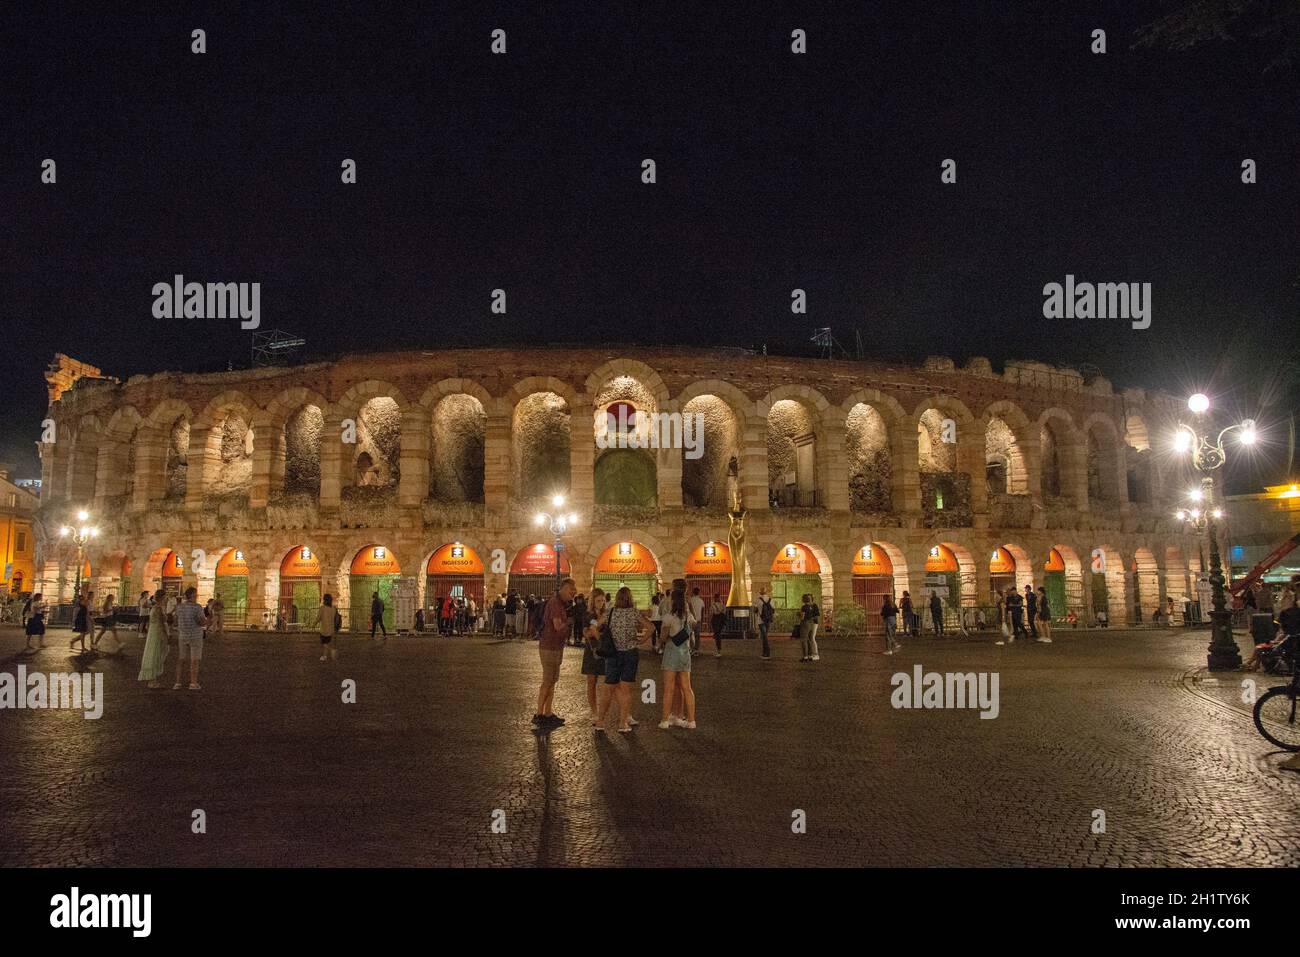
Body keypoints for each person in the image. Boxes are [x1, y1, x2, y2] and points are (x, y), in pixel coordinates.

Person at [595, 587, 650, 733]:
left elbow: (594, 624)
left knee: (608, 689)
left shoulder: (610, 612)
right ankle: (622, 723)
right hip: (630, 653)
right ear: (630, 598)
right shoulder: (634, 613)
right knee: (625, 690)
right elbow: (651, 628)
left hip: (612, 654)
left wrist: (599, 636)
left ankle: (600, 721)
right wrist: (641, 641)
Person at [533, 579, 576, 729]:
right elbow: (557, 626)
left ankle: (548, 713)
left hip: (556, 647)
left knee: (552, 680)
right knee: (547, 680)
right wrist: (569, 622)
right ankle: (539, 714)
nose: (573, 594)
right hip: (549, 647)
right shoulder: (556, 604)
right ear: (564, 589)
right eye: (571, 591)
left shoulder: (561, 604)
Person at [658, 587, 697, 729]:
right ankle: (691, 720)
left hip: (671, 654)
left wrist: (662, 639)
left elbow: (663, 637)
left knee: (669, 688)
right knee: (687, 687)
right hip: (685, 653)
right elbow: (694, 625)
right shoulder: (689, 616)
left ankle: (664, 720)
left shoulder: (669, 617)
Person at [580, 588, 611, 722]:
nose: (601, 603)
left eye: (603, 600)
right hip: (592, 651)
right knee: (591, 682)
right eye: (598, 600)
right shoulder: (589, 615)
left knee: (606, 683)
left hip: (604, 652)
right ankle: (594, 712)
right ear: (593, 601)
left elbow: (592, 631)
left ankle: (603, 711)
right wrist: (599, 623)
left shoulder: (606, 614)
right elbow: (588, 632)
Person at [173, 586, 208, 690]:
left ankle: (177, 683)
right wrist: (207, 621)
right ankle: (193, 683)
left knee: (181, 659)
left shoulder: (179, 607)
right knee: (194, 660)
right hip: (195, 635)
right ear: (193, 595)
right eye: (196, 594)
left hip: (183, 635)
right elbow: (200, 622)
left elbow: (175, 620)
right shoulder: (197, 607)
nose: (197, 596)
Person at [137, 589, 170, 688]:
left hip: (153, 632)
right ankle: (152, 680)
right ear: (162, 597)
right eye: (165, 597)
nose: (167, 599)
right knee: (156, 653)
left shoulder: (155, 607)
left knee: (153, 653)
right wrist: (166, 635)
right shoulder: (158, 608)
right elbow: (161, 623)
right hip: (157, 633)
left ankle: (152, 678)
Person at [316, 593, 340, 661]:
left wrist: (314, 624)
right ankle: (325, 655)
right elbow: (336, 618)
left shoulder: (322, 608)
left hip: (324, 629)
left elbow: (318, 618)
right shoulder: (334, 608)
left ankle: (330, 652)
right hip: (331, 629)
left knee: (324, 644)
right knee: (326, 643)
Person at [798, 593, 820, 662]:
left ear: (804, 600)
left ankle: (805, 657)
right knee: (809, 639)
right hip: (811, 623)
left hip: (805, 623)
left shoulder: (804, 607)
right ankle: (810, 655)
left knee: (804, 639)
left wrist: (798, 614)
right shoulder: (811, 606)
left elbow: (802, 617)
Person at [755, 586, 774, 660]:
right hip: (768, 620)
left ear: (760, 592)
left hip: (761, 620)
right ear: (766, 592)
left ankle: (767, 652)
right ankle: (764, 653)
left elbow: (755, 610)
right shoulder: (770, 600)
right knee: (765, 636)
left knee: (764, 636)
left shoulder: (758, 600)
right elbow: (773, 610)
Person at [688, 587, 705, 655]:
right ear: (699, 592)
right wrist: (702, 620)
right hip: (698, 620)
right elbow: (702, 611)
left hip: (690, 620)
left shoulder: (690, 600)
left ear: (693, 592)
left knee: (689, 634)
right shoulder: (701, 601)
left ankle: (691, 648)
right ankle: (696, 649)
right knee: (697, 636)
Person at [649, 589, 663, 653]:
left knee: (653, 634)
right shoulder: (660, 606)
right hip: (659, 621)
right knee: (660, 633)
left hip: (653, 621)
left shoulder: (651, 606)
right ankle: (660, 645)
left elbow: (650, 614)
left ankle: (654, 645)